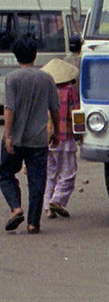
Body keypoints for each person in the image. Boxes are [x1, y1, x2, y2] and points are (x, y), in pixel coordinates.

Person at [1, 34, 61, 235]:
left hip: (16, 138)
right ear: (35, 55)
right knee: (37, 181)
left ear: (16, 56)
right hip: (38, 139)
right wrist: (56, 132)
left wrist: (7, 135)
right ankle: (33, 223)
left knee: (4, 173)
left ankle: (16, 208)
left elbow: (9, 109)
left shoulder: (12, 78)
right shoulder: (47, 78)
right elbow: (55, 109)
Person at [42, 58, 80, 220]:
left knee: (50, 174)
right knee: (68, 173)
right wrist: (79, 136)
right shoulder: (70, 90)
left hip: (45, 138)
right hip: (65, 137)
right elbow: (75, 114)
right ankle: (57, 200)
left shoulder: (43, 90)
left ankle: (47, 207)